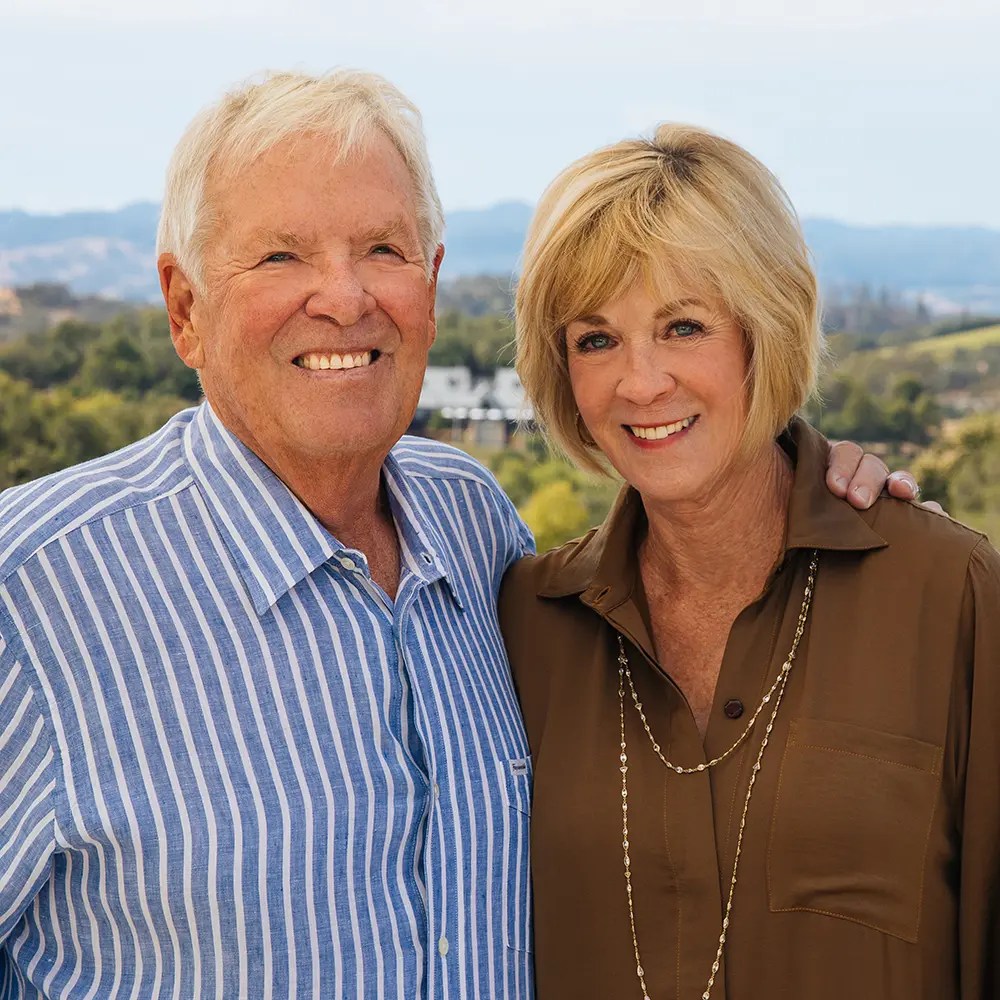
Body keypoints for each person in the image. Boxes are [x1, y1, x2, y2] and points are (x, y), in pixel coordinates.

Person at [0, 71, 917, 998]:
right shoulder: (31, 597)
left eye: (383, 248)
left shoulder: (476, 530)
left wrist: (801, 483)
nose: (344, 297)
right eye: (280, 256)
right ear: (185, 308)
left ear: (431, 286)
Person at [501, 123, 999, 1000]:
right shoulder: (522, 627)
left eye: (683, 326)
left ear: (763, 332)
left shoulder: (948, 594)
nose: (640, 382)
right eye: (595, 339)